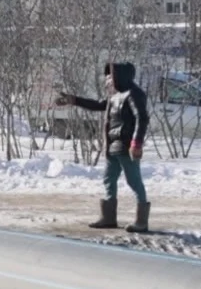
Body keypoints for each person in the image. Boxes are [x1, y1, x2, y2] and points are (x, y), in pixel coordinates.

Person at [55, 62, 150, 232]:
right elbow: (97, 104)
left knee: (134, 181)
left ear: (120, 77)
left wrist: (136, 143)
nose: (107, 80)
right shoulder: (115, 96)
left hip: (126, 145)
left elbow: (142, 119)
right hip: (112, 146)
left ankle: (141, 221)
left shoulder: (134, 94)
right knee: (109, 179)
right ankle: (108, 217)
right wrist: (74, 100)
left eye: (110, 77)